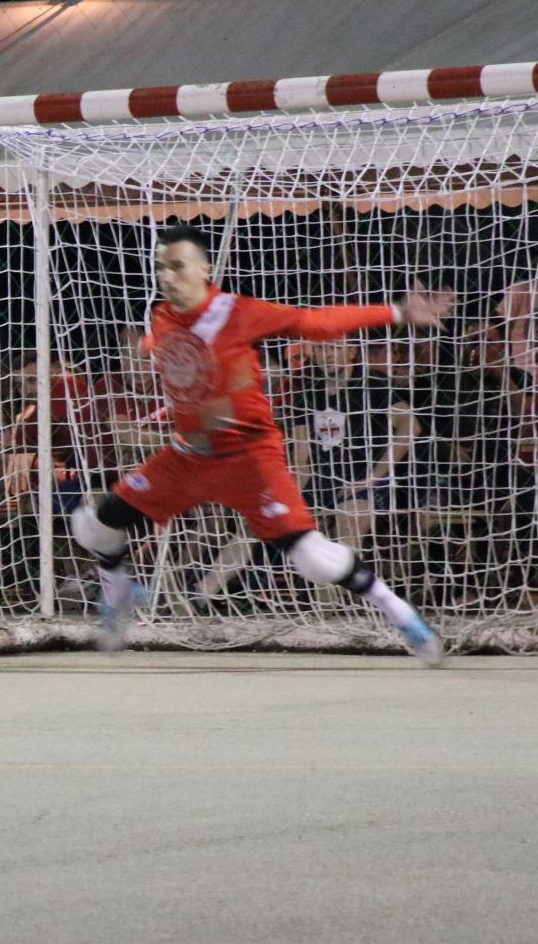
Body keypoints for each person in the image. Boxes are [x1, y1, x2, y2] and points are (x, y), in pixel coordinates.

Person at [68, 224, 450, 664]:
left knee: (314, 562)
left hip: (249, 459)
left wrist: (398, 313)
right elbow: (171, 349)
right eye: (160, 268)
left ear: (205, 269)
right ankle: (119, 596)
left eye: (177, 267)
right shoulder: (161, 316)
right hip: (186, 458)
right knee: (93, 525)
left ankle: (401, 614)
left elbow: (313, 322)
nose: (167, 277)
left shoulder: (236, 312)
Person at [287, 339, 416, 554]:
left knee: (349, 521)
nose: (327, 354)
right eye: (321, 347)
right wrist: (294, 497)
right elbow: (301, 458)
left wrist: (375, 475)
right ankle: (211, 585)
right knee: (259, 521)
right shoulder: (309, 394)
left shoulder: (371, 384)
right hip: (324, 480)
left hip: (365, 481)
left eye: (334, 347)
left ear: (352, 352)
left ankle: (337, 585)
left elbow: (410, 427)